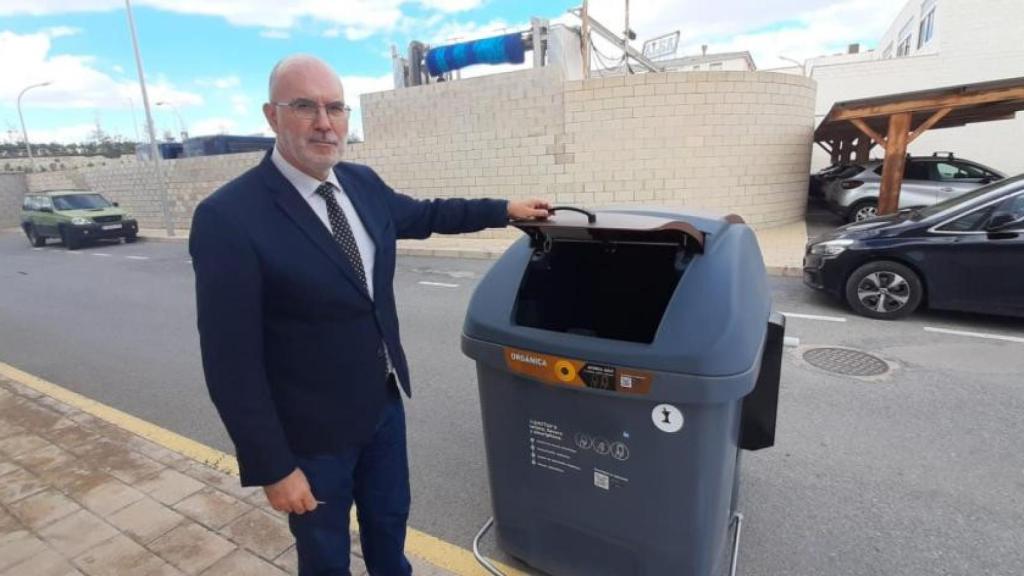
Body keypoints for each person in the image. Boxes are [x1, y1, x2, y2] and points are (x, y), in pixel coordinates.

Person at [189, 54, 549, 575]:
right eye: (305, 107)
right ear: (272, 116)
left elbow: (427, 215)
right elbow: (230, 364)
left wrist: (504, 209)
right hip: (309, 436)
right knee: (327, 556)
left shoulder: (360, 185)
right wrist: (274, 467)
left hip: (381, 407)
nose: (324, 122)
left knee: (389, 525)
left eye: (335, 108)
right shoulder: (229, 217)